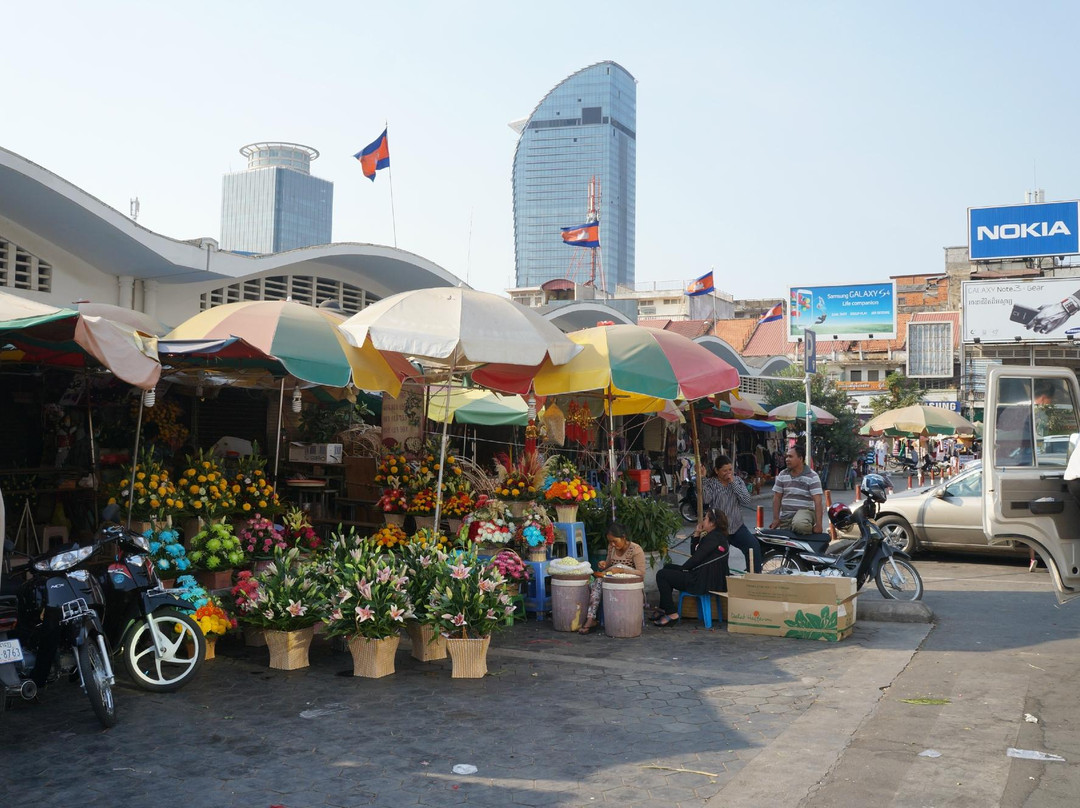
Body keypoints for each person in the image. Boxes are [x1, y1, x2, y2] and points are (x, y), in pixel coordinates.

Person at [652, 508, 729, 627]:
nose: (703, 521)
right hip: (707, 577)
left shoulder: (713, 538)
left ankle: (672, 613)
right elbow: (696, 555)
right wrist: (696, 535)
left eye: (705, 518)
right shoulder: (716, 536)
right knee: (668, 567)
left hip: (703, 581)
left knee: (662, 575)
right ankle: (663, 608)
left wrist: (683, 569)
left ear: (712, 523)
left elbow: (696, 559)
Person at [577, 522, 646, 635]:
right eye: (610, 541)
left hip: (629, 585)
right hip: (611, 580)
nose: (612, 544)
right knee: (598, 581)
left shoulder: (635, 549)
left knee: (601, 580)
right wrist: (604, 564)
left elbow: (641, 573)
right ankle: (590, 618)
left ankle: (592, 619)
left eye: (615, 541)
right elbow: (609, 565)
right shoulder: (611, 548)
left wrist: (621, 570)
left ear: (623, 537)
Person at [701, 454, 763, 573]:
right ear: (717, 471)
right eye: (724, 470)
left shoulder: (738, 481)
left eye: (730, 470)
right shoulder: (711, 483)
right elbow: (706, 499)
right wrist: (703, 479)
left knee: (753, 546)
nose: (728, 473)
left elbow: (746, 500)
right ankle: (722, 580)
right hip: (719, 528)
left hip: (737, 526)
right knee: (719, 556)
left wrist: (733, 483)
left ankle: (754, 576)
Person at [769, 444, 824, 534]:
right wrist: (776, 519)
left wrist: (819, 525)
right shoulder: (782, 474)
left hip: (805, 514)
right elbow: (777, 497)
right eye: (786, 457)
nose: (787, 459)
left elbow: (818, 501)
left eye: (790, 457)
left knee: (800, 525)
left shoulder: (812, 476)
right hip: (786, 517)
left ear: (800, 458)